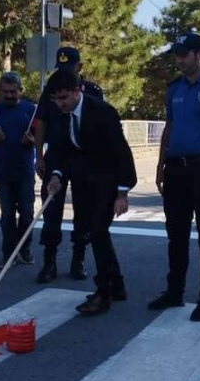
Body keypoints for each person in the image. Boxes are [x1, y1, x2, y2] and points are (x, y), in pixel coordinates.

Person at [149, 31, 200, 322]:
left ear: (199, 54)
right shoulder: (174, 88)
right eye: (177, 54)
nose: (179, 60)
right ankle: (174, 292)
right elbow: (169, 128)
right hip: (176, 169)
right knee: (176, 235)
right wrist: (160, 165)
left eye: (184, 54)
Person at [44, 69, 136, 316]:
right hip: (83, 182)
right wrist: (56, 175)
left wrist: (122, 193)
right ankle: (116, 285)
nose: (59, 103)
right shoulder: (62, 114)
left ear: (77, 91)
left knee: (97, 232)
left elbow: (121, 153)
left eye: (63, 97)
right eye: (56, 99)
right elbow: (61, 150)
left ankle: (103, 293)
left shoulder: (103, 113)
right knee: (96, 233)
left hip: (107, 181)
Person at [34, 46, 105, 285]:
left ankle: (78, 259)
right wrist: (39, 156)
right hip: (56, 153)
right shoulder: (50, 91)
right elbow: (41, 123)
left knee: (83, 209)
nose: (65, 72)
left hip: (83, 157)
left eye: (69, 67)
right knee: (51, 208)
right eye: (61, 67)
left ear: (79, 67)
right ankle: (49, 262)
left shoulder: (92, 91)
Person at [0, 73, 37, 268]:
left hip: (25, 172)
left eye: (13, 91)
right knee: (7, 215)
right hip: (2, 172)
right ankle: (9, 254)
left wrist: (32, 142)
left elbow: (42, 138)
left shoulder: (31, 110)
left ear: (20, 90)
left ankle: (26, 249)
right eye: (5, 92)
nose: (9, 95)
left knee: (27, 214)